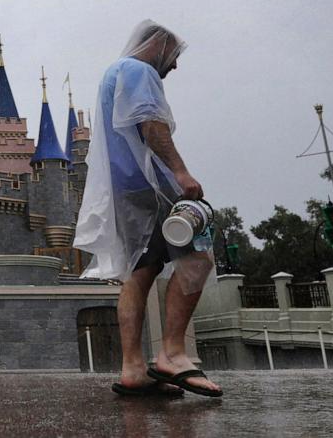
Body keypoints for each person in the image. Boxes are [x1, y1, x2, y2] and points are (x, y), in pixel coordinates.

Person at [75, 20, 222, 398]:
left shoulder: (112, 74)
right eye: (172, 56)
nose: (174, 66)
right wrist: (181, 173)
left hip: (124, 190)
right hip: (153, 184)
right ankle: (172, 354)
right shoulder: (139, 70)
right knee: (198, 257)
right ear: (157, 45)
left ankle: (132, 369)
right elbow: (152, 125)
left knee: (139, 273)